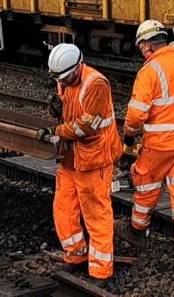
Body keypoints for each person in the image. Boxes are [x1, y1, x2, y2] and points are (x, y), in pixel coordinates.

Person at [117, 20, 174, 271]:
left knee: (146, 187)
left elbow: (136, 114)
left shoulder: (149, 71)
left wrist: (129, 135)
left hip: (159, 144)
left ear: (146, 46)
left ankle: (137, 230)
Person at [37, 44, 122, 283]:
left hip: (94, 160)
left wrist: (56, 131)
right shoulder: (63, 78)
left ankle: (101, 270)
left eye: (65, 78)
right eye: (59, 80)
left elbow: (86, 125)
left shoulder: (96, 84)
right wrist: (56, 111)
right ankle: (75, 256)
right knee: (64, 210)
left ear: (77, 67)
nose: (62, 83)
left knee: (96, 215)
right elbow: (68, 110)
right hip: (71, 159)